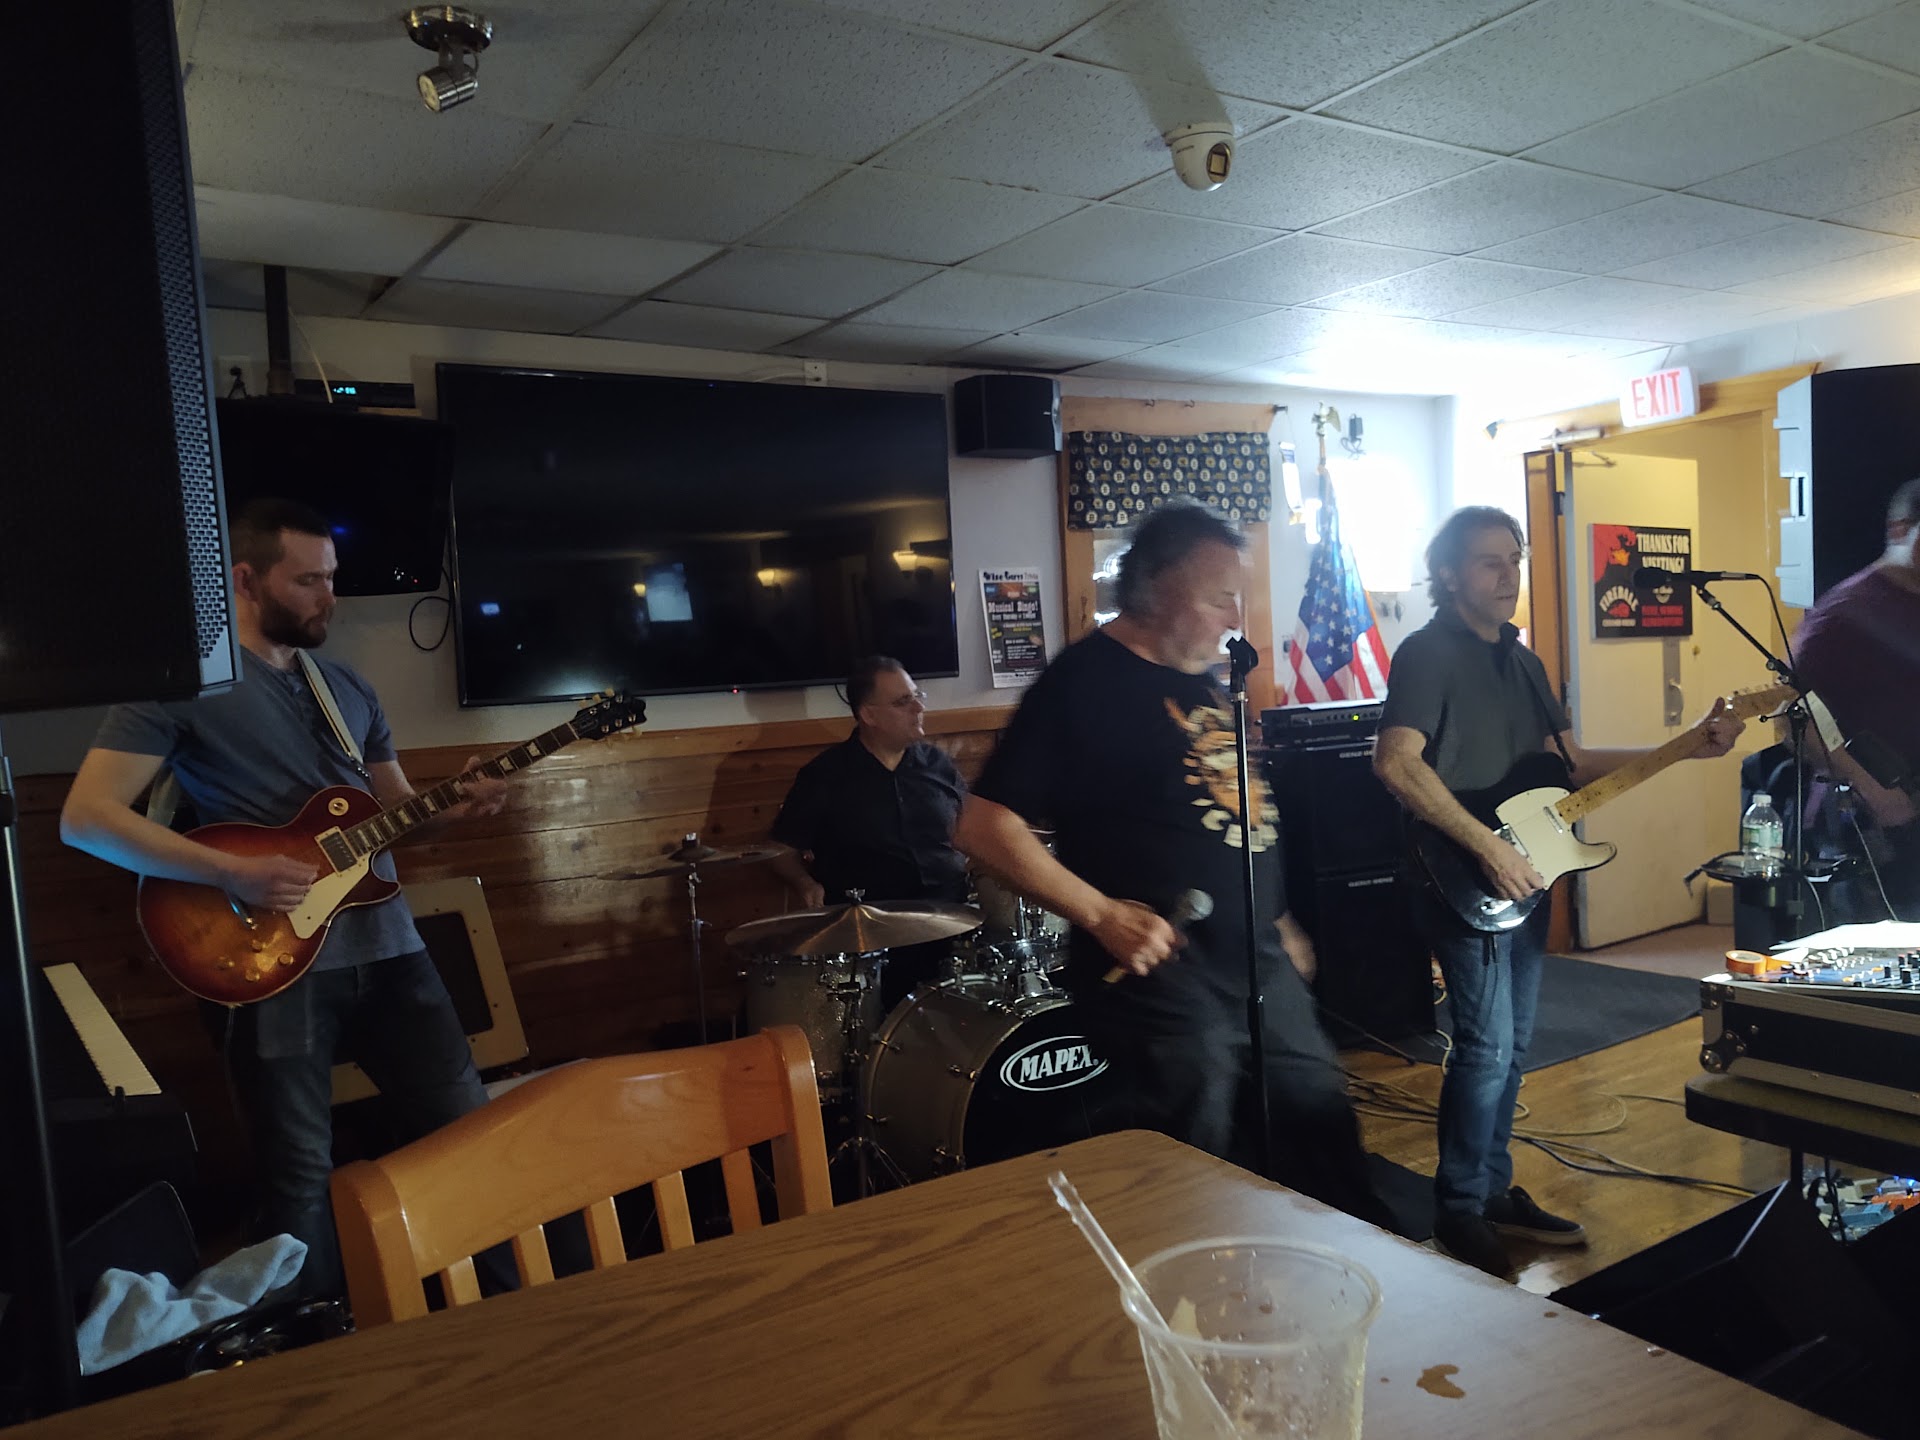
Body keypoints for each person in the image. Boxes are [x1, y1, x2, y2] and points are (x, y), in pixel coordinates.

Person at [60, 498, 510, 1299]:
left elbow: (394, 816)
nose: (329, 597)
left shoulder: (348, 688)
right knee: (298, 1176)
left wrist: (458, 803)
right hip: (272, 962)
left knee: (470, 1135)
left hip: (392, 949)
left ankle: (512, 1304)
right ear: (246, 580)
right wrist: (229, 872)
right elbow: (86, 819)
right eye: (308, 581)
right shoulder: (178, 688)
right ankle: (316, 1345)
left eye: (331, 578)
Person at [953, 502, 1394, 1229]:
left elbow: (1233, 810)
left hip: (1256, 962)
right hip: (1160, 977)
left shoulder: (1204, 681)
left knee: (1320, 1125)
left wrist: (1276, 914)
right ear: (1156, 590)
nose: (1236, 616)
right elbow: (982, 824)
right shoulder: (1082, 683)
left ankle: (1348, 1278)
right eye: (1219, 597)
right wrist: (1101, 914)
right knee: (1196, 1160)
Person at [1374, 506, 1743, 1278]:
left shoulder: (1524, 661)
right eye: (1489, 561)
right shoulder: (1426, 653)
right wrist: (1487, 848)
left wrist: (1684, 748)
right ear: (1448, 574)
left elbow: (1567, 765)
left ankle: (1492, 1190)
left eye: (1515, 559)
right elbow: (1397, 763)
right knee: (1484, 1047)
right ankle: (1459, 1206)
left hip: (1527, 874)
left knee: (1512, 1048)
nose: (1508, 574)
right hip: (1465, 874)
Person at [769, 655, 968, 1008]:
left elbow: (971, 827)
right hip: (871, 938)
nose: (919, 708)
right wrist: (804, 883)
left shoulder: (938, 764)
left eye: (917, 696)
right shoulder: (825, 775)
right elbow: (781, 848)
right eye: (903, 701)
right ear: (869, 715)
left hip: (952, 921)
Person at [1794, 478, 1920, 924]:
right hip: (1874, 825)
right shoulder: (1846, 611)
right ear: (1900, 529)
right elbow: (1793, 714)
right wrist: (1872, 789)